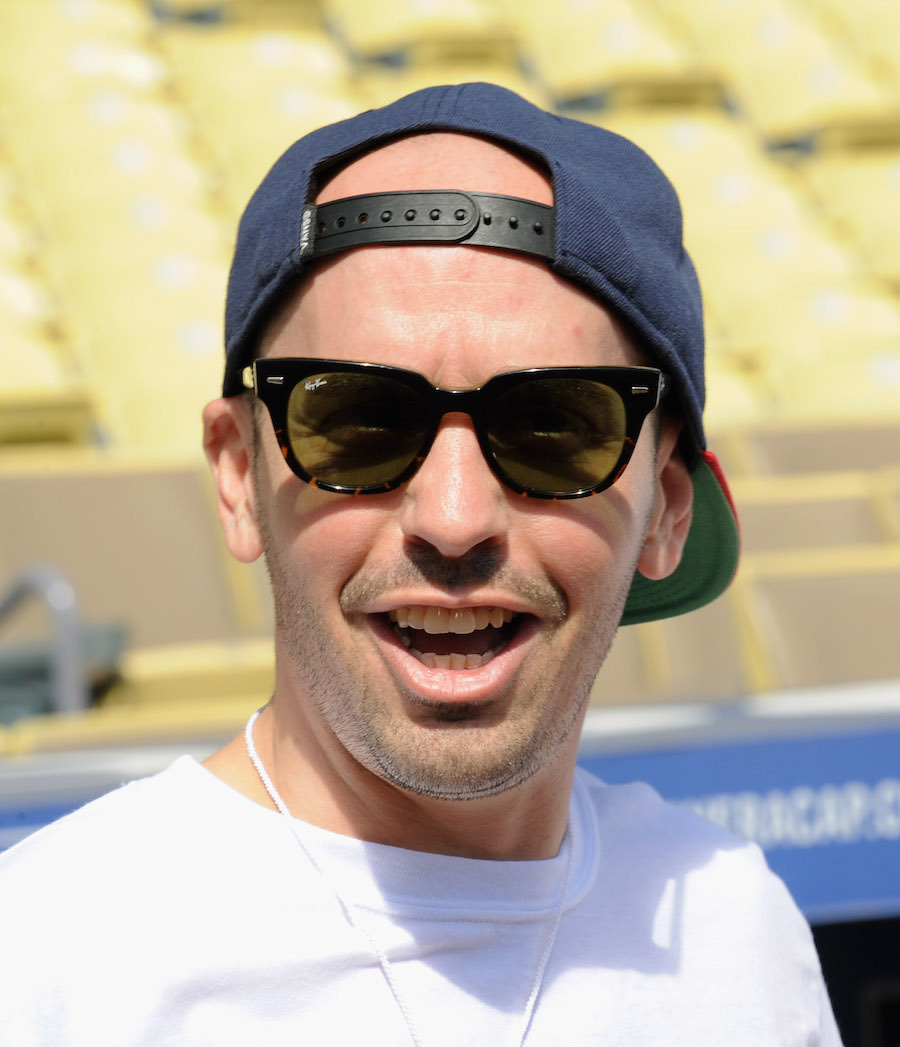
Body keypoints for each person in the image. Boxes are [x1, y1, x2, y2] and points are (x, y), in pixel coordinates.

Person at [0, 83, 841, 1046]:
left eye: (557, 426)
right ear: (238, 476)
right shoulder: (45, 965)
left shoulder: (738, 933)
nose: (452, 519)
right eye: (356, 421)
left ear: (667, 513)